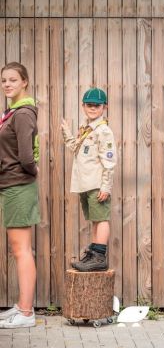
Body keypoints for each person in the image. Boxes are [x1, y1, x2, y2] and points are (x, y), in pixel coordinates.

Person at [0, 62, 40, 328]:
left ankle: (26, 313)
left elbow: (26, 156)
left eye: (13, 80)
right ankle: (20, 306)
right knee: (19, 249)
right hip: (11, 184)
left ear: (24, 82)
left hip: (19, 185)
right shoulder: (11, 112)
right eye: (3, 80)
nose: (7, 85)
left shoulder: (23, 113)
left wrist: (32, 170)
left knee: (21, 250)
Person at [61, 88, 117, 272]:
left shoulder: (104, 131)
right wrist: (67, 133)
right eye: (89, 104)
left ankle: (99, 256)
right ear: (83, 106)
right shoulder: (86, 129)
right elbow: (76, 148)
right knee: (95, 219)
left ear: (105, 107)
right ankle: (93, 253)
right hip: (85, 183)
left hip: (96, 184)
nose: (93, 108)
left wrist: (106, 186)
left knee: (101, 219)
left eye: (97, 105)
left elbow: (109, 161)